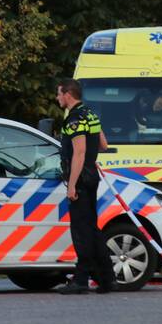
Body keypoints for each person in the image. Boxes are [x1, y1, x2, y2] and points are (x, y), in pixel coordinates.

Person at [55, 78, 115, 295]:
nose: (57, 98)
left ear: (68, 94)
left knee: (81, 231)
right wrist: (91, 157)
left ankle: (81, 280)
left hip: (80, 179)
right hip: (92, 177)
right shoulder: (90, 114)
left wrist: (71, 185)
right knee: (92, 228)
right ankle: (107, 278)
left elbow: (79, 152)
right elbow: (103, 145)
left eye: (59, 94)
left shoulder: (74, 119)